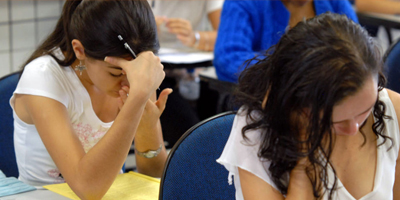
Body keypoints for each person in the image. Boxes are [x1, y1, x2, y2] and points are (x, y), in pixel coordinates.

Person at [217, 13, 400, 200]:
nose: (353, 129)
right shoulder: (257, 130)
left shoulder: (394, 109)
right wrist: (303, 153)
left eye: (364, 110)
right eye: (337, 120)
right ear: (296, 102)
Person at [10, 1, 170, 199]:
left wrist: (147, 127)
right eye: (115, 73)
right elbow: (87, 188)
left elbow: (154, 178)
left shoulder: (138, 77)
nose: (128, 83)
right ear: (80, 50)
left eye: (135, 74)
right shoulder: (43, 77)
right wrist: (136, 101)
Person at [213, 0, 358, 83]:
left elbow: (357, 49)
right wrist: (292, 72)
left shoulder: (335, 3)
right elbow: (228, 57)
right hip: (264, 110)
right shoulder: (244, 3)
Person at [151, 0, 224, 148]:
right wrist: (148, 29)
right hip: (158, 73)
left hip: (197, 71)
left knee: (219, 122)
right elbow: (125, 37)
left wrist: (195, 37)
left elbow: (225, 36)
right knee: (190, 132)